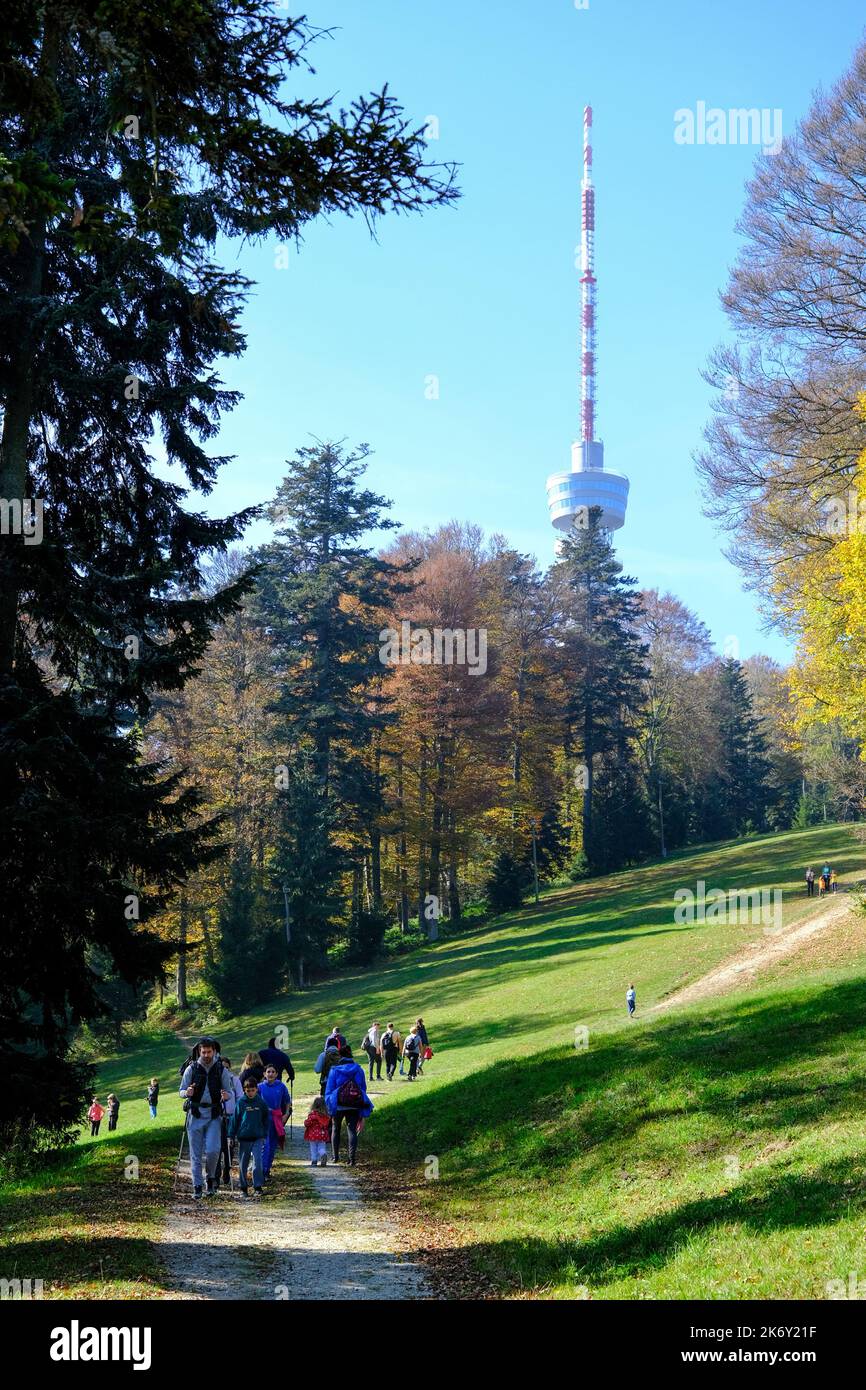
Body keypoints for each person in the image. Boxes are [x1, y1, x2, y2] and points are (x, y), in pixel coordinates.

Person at [179, 1036, 231, 1199]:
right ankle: (197, 1186)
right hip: (195, 1114)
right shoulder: (191, 1069)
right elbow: (181, 1091)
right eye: (204, 1052)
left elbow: (229, 1092)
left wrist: (226, 1096)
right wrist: (187, 1093)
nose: (207, 1055)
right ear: (199, 1052)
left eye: (209, 1052)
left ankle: (210, 1179)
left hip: (214, 1115)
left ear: (214, 1051)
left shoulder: (221, 1070)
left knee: (213, 1150)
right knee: (195, 1153)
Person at [324, 1046, 373, 1166]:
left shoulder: (334, 1070)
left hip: (339, 1104)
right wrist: (362, 1111)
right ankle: (352, 1159)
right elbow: (363, 1089)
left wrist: (329, 1106)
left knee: (336, 1129)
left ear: (340, 1056)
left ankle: (335, 1157)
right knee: (352, 1130)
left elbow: (329, 1089)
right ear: (351, 1055)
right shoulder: (358, 1070)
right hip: (354, 1104)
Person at [227, 1076, 270, 1196]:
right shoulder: (241, 1103)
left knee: (258, 1161)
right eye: (248, 1090)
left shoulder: (260, 1102)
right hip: (244, 1138)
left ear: (256, 1090)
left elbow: (266, 1119)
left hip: (257, 1137)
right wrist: (231, 1135)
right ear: (244, 1090)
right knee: (243, 1163)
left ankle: (257, 1186)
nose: (250, 1093)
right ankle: (243, 1187)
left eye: (253, 1090)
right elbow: (234, 1120)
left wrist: (264, 1133)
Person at [258, 1064, 291, 1182]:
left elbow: (287, 1101)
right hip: (264, 1119)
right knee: (265, 1145)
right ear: (264, 1074)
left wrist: (286, 1114)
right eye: (268, 1072)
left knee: (272, 1146)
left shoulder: (281, 1086)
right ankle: (261, 1171)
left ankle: (267, 1170)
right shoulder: (259, 1087)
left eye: (273, 1072)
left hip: (276, 1119)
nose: (270, 1074)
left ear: (277, 1074)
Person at [217, 1057, 244, 1189]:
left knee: (229, 1147)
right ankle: (215, 1175)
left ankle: (227, 1169)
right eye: (222, 1067)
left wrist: (238, 1116)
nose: (225, 1070)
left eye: (227, 1067)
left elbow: (240, 1098)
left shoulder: (235, 1080)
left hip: (230, 1118)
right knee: (216, 1147)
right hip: (217, 1118)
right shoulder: (215, 1080)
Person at [304, 1096, 332, 1167]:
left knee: (313, 1148)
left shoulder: (312, 1115)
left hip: (313, 1134)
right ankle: (323, 1154)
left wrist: (305, 1122)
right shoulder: (325, 1116)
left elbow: (307, 1124)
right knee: (321, 1147)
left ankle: (314, 1161)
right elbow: (327, 1125)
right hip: (322, 1134)